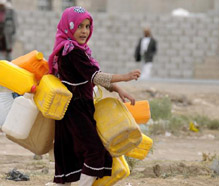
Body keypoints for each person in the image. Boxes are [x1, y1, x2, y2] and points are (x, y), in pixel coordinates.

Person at [48, 6, 141, 186]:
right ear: (69, 27)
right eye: (79, 26)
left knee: (71, 150)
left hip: (77, 107)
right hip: (74, 109)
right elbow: (95, 76)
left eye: (87, 26)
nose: (84, 31)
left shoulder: (74, 49)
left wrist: (117, 89)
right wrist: (124, 77)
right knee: (94, 150)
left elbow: (90, 76)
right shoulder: (72, 51)